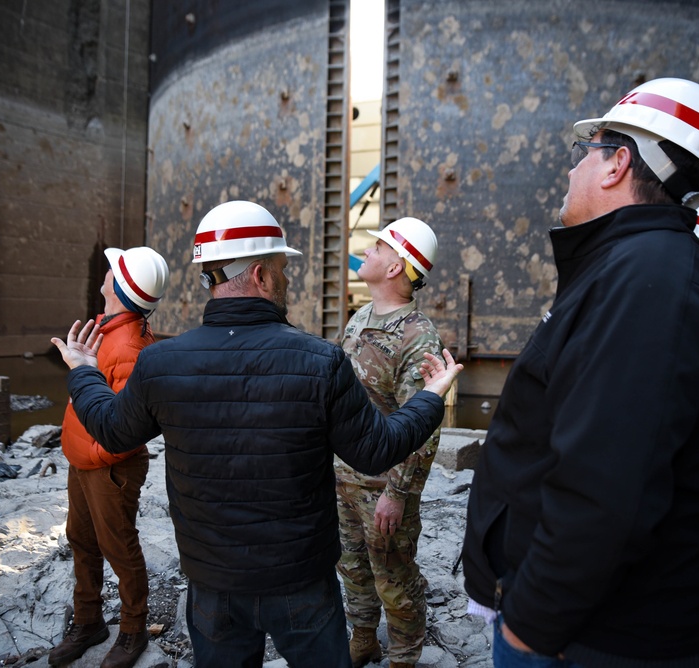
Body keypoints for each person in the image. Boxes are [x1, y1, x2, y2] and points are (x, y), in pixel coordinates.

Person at [50, 200, 463, 667]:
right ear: (263, 276)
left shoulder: (161, 363)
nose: (287, 279)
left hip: (212, 584)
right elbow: (376, 450)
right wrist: (431, 395)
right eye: (283, 269)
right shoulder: (319, 362)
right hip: (301, 583)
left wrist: (84, 371)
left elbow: (110, 428)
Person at [461, 77, 699, 667]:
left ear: (618, 163)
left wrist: (528, 629)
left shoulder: (649, 282)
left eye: (582, 154)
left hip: (594, 641)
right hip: (586, 630)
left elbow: (607, 491)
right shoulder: (634, 270)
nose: (571, 171)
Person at [49, 247, 170, 668]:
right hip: (85, 461)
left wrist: (98, 454)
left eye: (110, 270)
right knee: (81, 540)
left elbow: (127, 426)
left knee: (119, 547)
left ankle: (133, 629)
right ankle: (89, 621)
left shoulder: (131, 347)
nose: (104, 272)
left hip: (109, 467)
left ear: (117, 287)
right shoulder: (108, 329)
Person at [336, 217, 443, 668]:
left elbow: (423, 425)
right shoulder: (361, 316)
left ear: (397, 266)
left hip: (383, 487)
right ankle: (363, 639)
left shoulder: (418, 335)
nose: (368, 250)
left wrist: (398, 494)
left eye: (378, 247)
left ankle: (403, 655)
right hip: (343, 477)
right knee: (353, 567)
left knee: (393, 577)